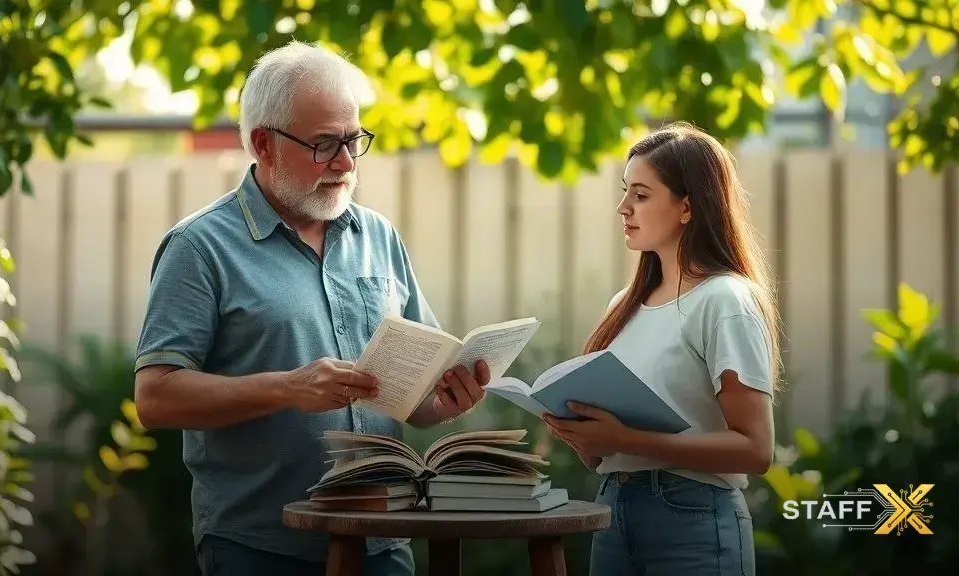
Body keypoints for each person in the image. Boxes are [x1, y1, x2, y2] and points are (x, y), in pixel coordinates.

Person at [132, 41, 492, 576]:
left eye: (353, 140)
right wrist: (288, 387)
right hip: (261, 547)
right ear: (264, 144)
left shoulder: (378, 236)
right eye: (325, 144)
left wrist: (451, 398)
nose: (346, 163)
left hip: (384, 541)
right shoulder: (198, 247)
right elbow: (155, 398)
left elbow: (416, 403)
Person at [543, 122, 780, 576]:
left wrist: (625, 439)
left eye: (641, 194)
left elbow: (756, 449)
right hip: (613, 510)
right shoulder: (624, 306)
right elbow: (602, 455)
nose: (622, 207)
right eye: (624, 191)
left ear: (687, 206)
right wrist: (582, 433)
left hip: (691, 519)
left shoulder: (724, 300)